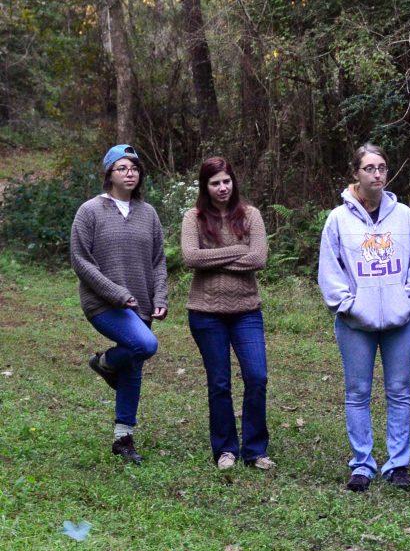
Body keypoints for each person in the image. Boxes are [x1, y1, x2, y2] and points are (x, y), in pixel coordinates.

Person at [318, 144, 410, 492]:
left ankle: (398, 464)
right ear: (356, 173)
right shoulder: (338, 219)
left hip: (401, 323)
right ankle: (362, 464)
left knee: (399, 391)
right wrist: (349, 306)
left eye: (382, 167)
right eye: (369, 168)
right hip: (355, 324)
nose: (377, 174)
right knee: (357, 392)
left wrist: (403, 304)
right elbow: (329, 272)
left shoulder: (405, 217)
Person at [70, 144, 167, 464]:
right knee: (145, 345)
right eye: (123, 168)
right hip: (103, 304)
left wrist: (161, 297)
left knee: (134, 365)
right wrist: (116, 293)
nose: (131, 173)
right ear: (108, 174)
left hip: (141, 303)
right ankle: (105, 362)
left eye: (135, 168)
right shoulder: (90, 211)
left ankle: (123, 439)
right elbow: (82, 262)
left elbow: (158, 262)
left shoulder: (148, 213)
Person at [181, 157, 274, 471]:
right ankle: (225, 450)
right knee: (219, 383)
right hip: (206, 313)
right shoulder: (193, 218)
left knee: (257, 377)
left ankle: (255, 450)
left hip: (246, 311)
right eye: (214, 183)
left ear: (233, 182)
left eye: (226, 181)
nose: (222, 188)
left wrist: (215, 258)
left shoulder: (251, 215)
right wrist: (238, 250)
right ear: (205, 187)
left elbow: (259, 258)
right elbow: (191, 257)